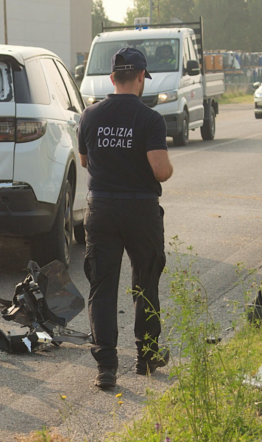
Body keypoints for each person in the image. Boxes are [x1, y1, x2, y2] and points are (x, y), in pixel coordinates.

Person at [77, 47, 174, 389]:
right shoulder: (150, 119)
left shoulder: (89, 115)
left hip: (101, 209)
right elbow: (161, 171)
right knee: (145, 283)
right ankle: (146, 357)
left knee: (102, 287)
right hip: (140, 211)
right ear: (140, 77)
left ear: (112, 77)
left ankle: (106, 367)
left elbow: (85, 161)